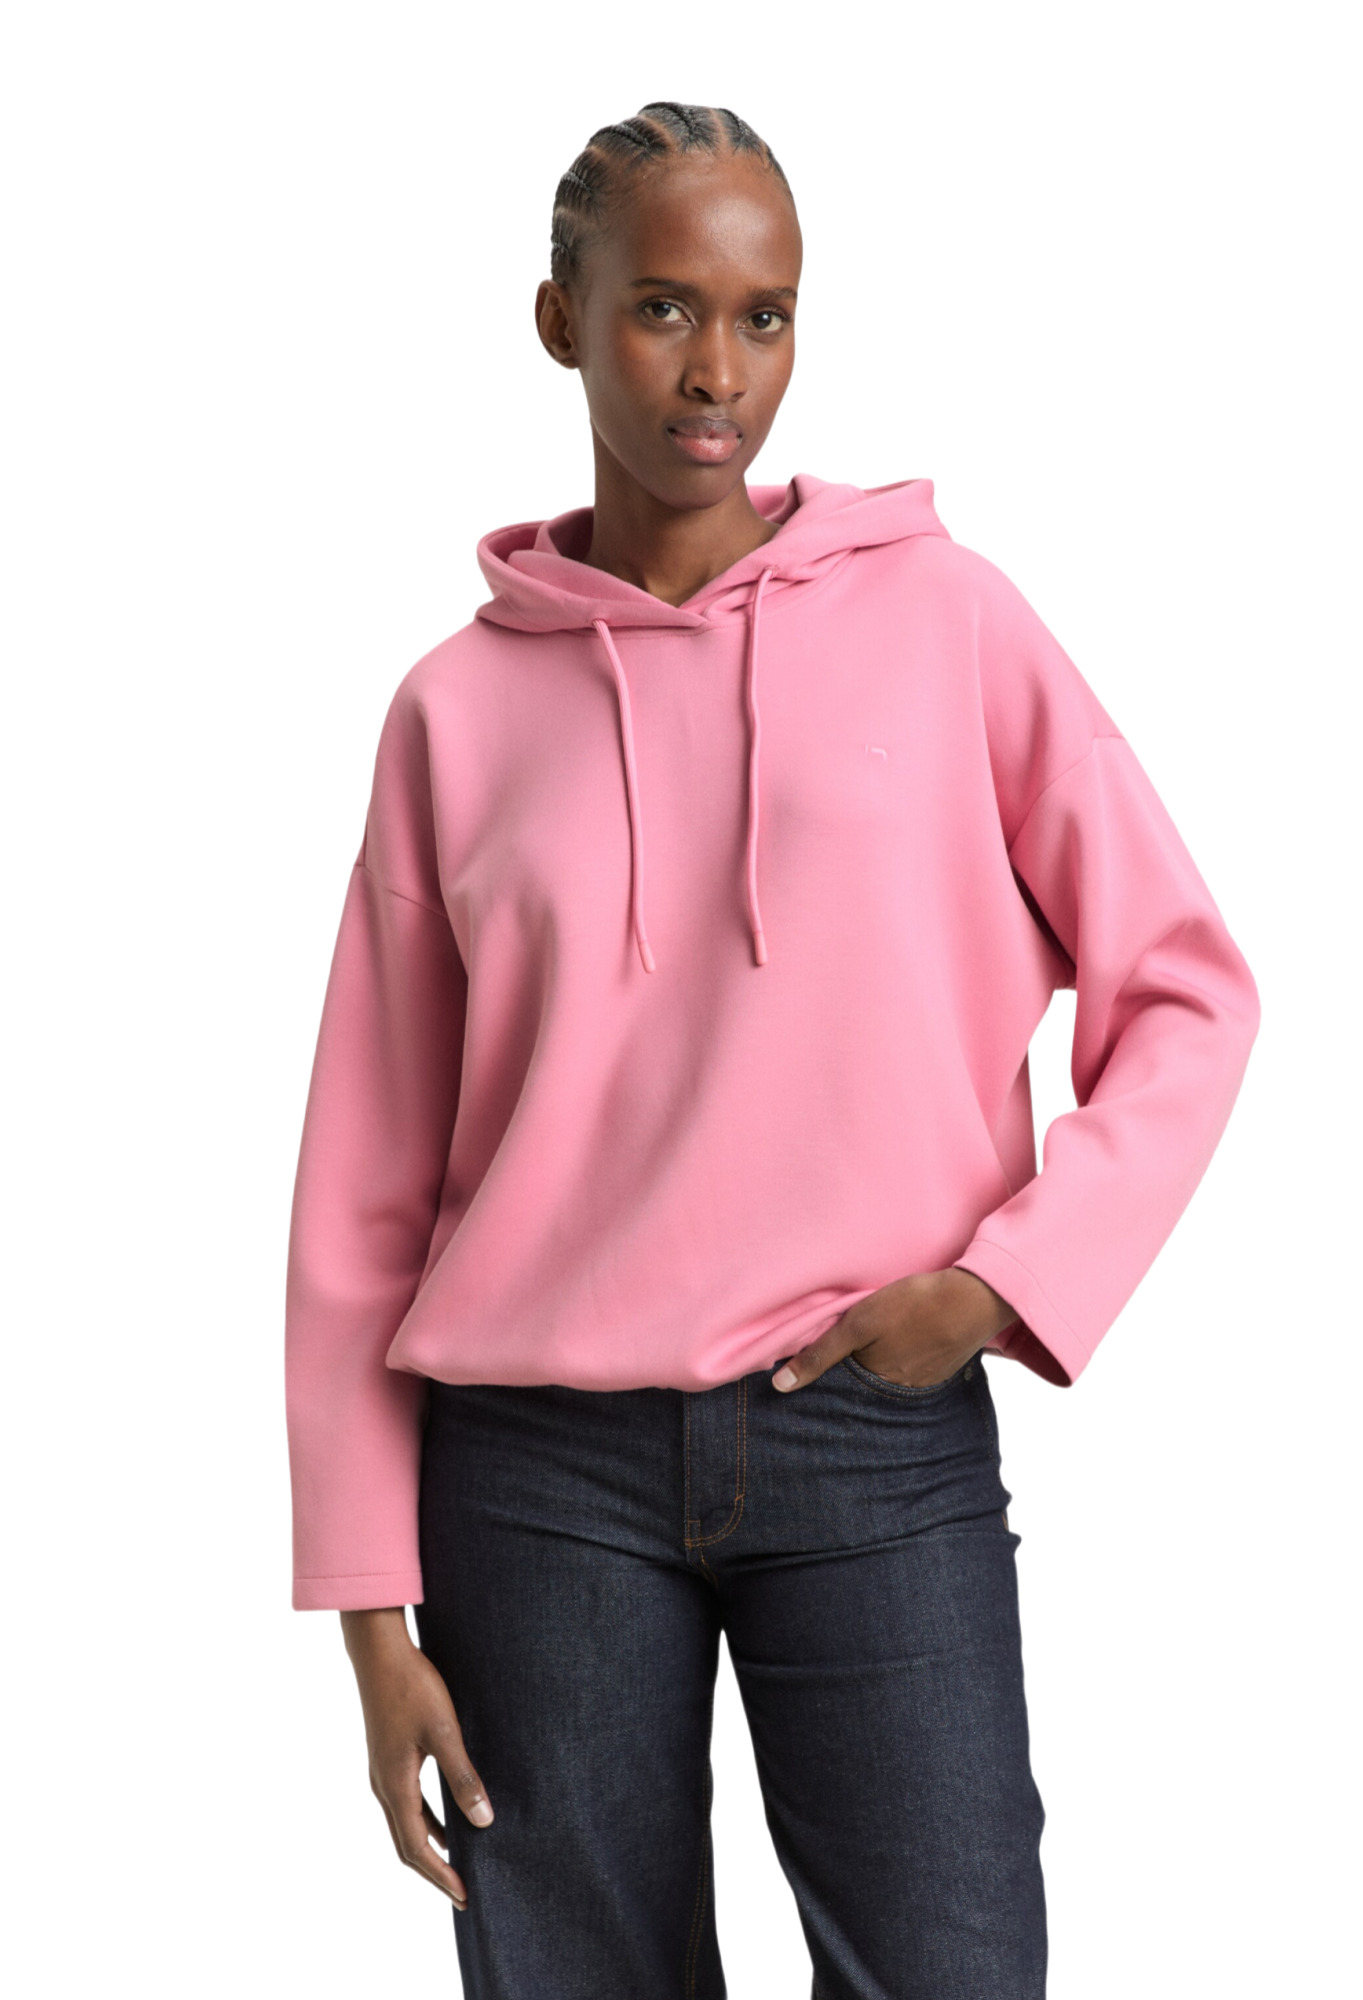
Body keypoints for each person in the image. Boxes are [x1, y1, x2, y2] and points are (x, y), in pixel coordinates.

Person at [284, 101, 1260, 2000]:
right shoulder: (453, 711)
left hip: (872, 1429)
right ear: (560, 322)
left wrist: (1004, 1285)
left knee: (954, 1965)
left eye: (763, 315)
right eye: (663, 308)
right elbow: (365, 1179)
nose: (717, 371)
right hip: (533, 1474)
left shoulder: (951, 622)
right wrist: (367, 1610)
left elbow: (1187, 985)